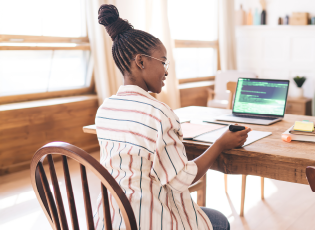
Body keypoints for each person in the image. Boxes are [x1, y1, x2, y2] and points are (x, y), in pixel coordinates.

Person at [92, 4, 249, 230]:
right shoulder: (159, 113)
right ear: (141, 61)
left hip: (111, 219)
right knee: (220, 221)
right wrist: (220, 144)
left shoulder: (105, 109)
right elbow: (182, 179)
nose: (166, 71)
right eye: (163, 62)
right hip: (149, 221)